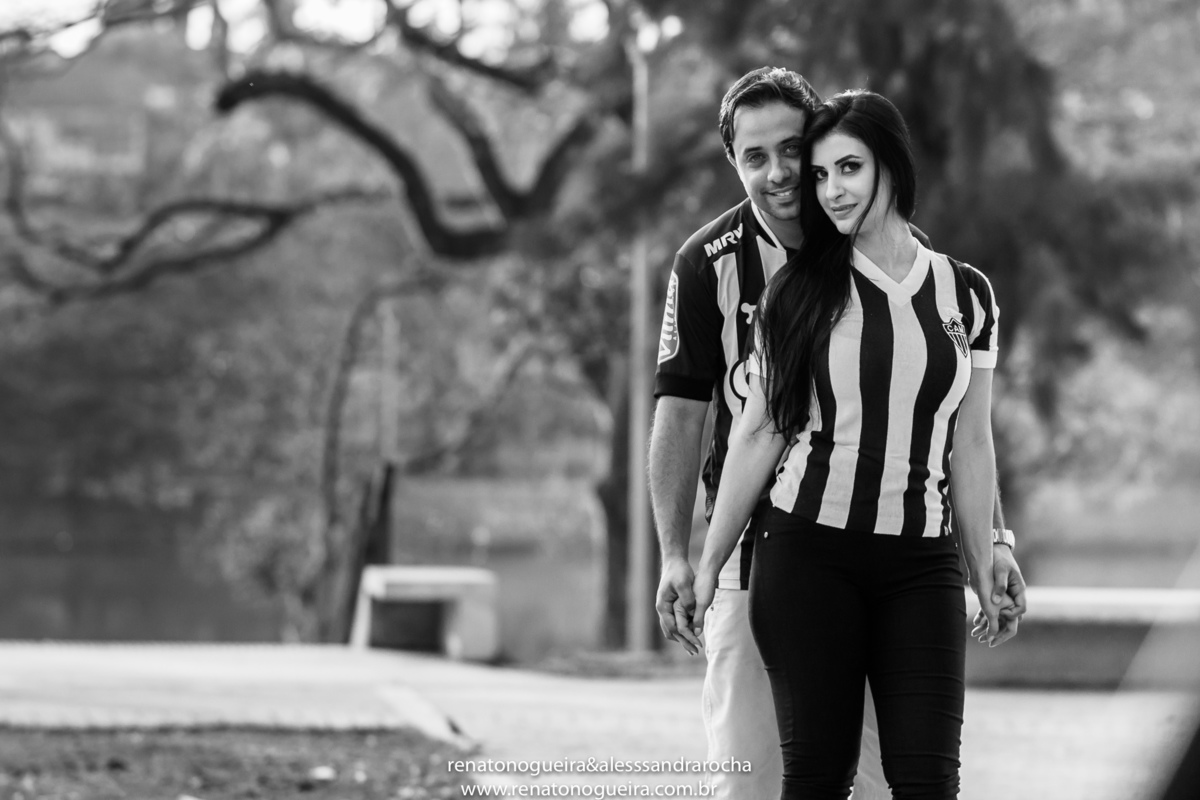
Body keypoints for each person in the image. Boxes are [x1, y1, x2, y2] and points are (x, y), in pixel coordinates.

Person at [650, 68, 1025, 800]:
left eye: (800, 152)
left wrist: (994, 546)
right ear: (733, 164)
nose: (786, 175)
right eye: (755, 157)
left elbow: (956, 430)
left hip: (910, 560)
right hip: (771, 555)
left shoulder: (931, 273)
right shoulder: (714, 265)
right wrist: (682, 558)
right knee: (758, 779)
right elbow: (693, 413)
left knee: (909, 779)